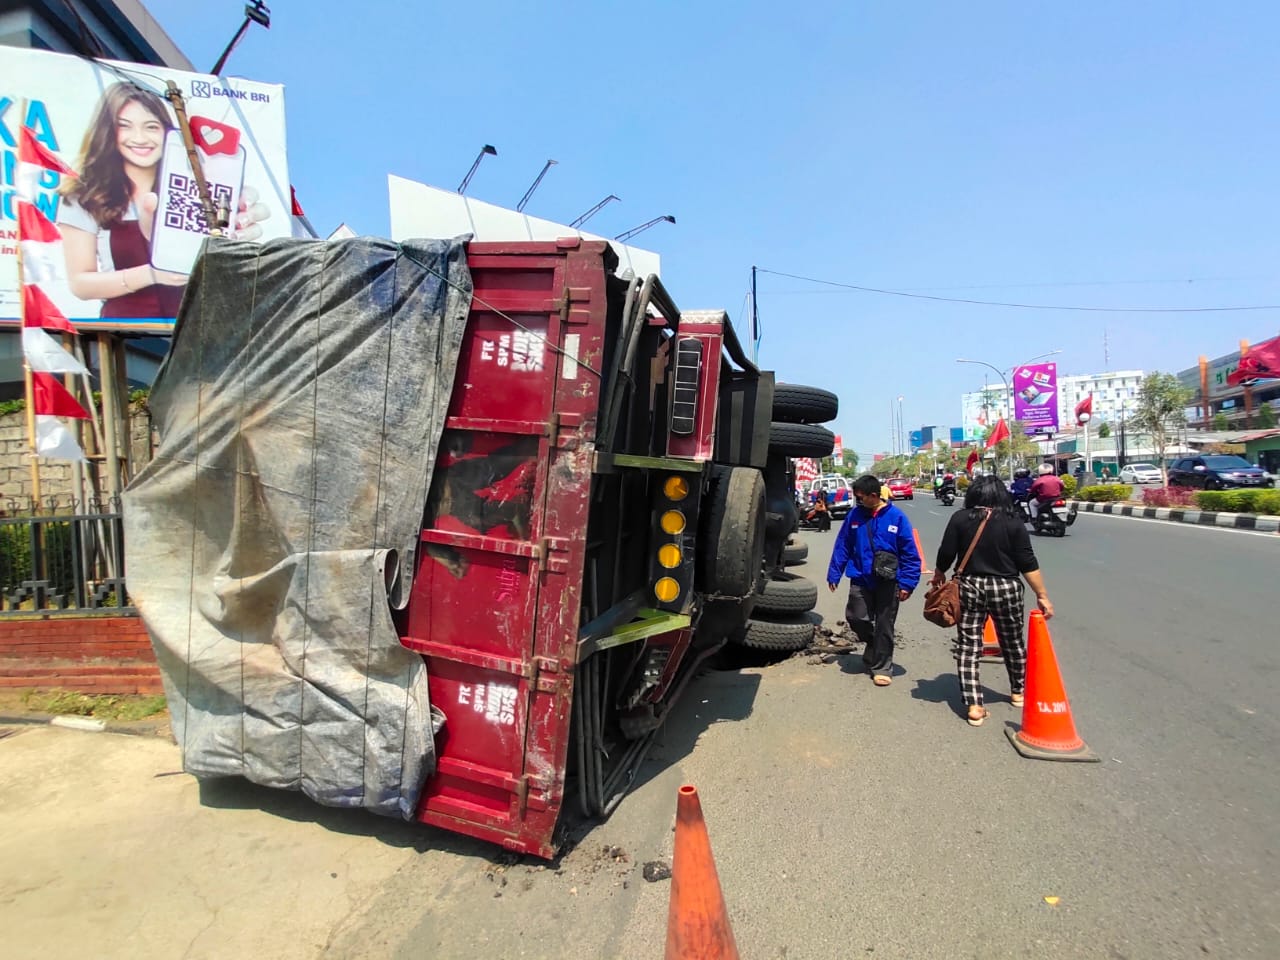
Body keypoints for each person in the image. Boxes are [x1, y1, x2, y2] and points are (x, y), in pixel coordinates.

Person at [58, 82, 269, 319]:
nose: (139, 138)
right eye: (124, 126)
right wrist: (152, 273)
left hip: (196, 329)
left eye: (151, 127)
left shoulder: (194, 190)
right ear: (107, 132)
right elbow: (80, 284)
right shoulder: (83, 196)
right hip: (125, 336)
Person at [930, 475, 1055, 726]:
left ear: (974, 494)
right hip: (1006, 587)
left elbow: (946, 552)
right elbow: (1027, 562)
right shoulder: (1013, 521)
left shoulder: (960, 518)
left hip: (970, 586)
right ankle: (1018, 692)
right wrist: (1042, 595)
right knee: (1012, 641)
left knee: (969, 645)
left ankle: (974, 704)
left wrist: (940, 572)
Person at [827, 474, 921, 686]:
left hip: (889, 580)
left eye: (861, 498)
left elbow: (910, 553)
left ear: (873, 495)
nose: (858, 501)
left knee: (885, 625)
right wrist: (834, 573)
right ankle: (873, 642)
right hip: (860, 577)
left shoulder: (896, 517)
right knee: (856, 617)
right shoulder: (854, 516)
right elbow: (843, 545)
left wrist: (907, 583)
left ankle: (882, 667)